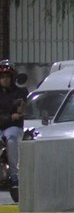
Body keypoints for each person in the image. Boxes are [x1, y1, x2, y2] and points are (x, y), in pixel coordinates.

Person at [0, 62, 28, 197]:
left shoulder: (20, 92)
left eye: (7, 76)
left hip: (12, 127)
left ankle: (14, 176)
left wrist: (14, 116)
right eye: (2, 76)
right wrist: (9, 116)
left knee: (11, 140)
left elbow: (20, 110)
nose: (4, 79)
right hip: (3, 124)